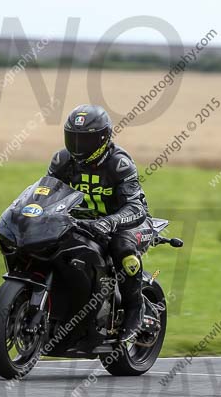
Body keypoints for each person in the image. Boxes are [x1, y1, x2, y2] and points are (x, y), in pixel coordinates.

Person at [47, 104, 153, 341]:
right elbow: (46, 192)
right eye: (73, 139)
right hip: (82, 222)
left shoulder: (118, 163)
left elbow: (136, 206)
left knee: (122, 247)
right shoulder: (62, 160)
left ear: (103, 138)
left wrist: (110, 223)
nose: (77, 146)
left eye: (84, 141)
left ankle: (135, 309)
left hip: (127, 223)